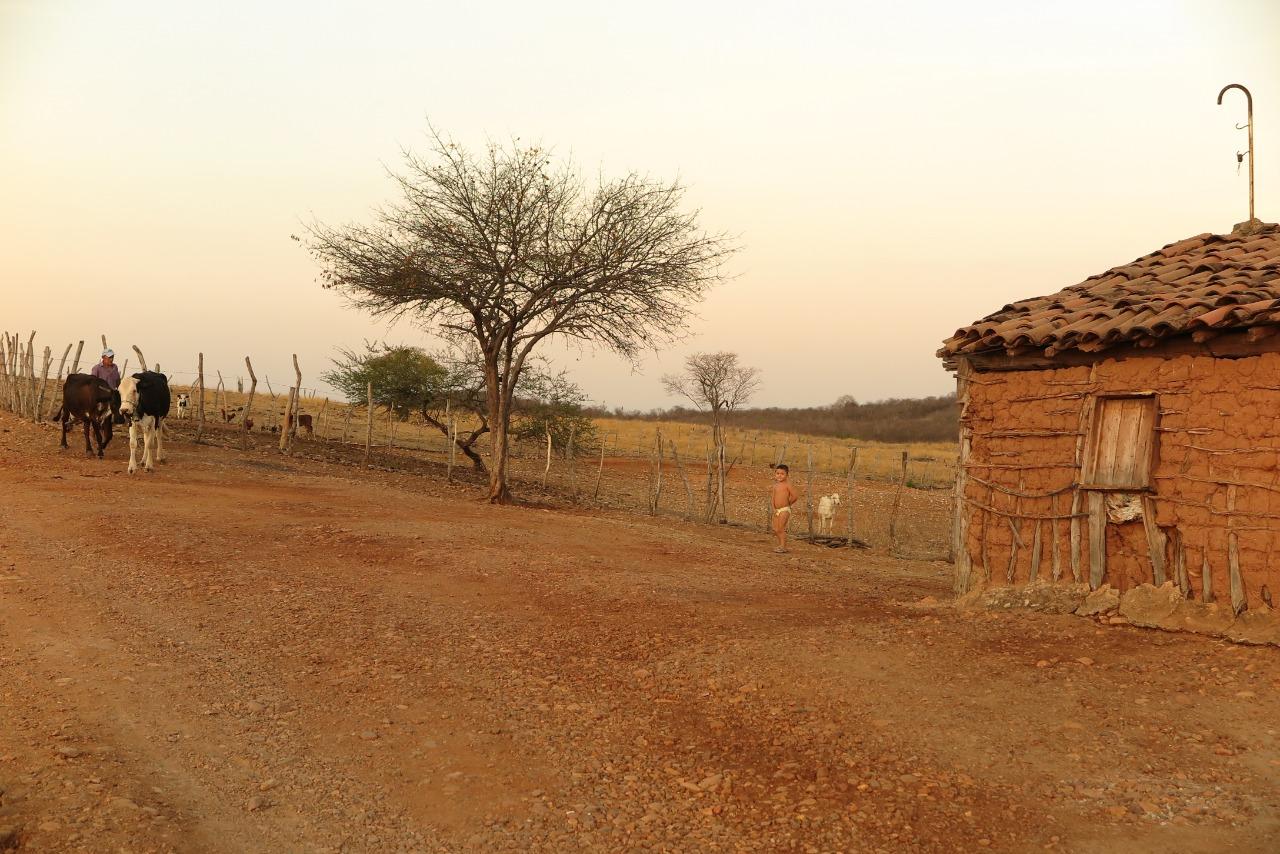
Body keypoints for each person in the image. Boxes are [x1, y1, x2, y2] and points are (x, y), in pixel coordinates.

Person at [770, 464, 800, 553]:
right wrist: (773, 508)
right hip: (776, 510)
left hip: (784, 509)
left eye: (782, 474)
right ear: (775, 474)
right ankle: (780, 545)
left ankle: (783, 546)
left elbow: (795, 496)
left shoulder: (787, 485)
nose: (779, 475)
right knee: (776, 529)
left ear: (787, 475)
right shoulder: (775, 486)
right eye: (777, 473)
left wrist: (788, 503)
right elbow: (773, 497)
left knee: (781, 528)